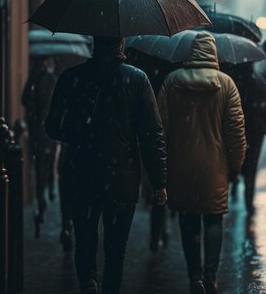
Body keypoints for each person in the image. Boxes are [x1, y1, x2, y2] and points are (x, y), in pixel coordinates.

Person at [45, 36, 168, 294]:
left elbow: (53, 126)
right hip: (121, 177)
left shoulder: (71, 77)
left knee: (85, 242)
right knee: (115, 251)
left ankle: (88, 282)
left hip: (81, 173)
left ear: (94, 43)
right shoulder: (137, 79)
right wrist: (159, 182)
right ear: (121, 43)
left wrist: (80, 132)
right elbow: (152, 134)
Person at [157, 32, 246, 294]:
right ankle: (210, 275)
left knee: (188, 220)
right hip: (215, 167)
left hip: (180, 165)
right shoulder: (226, 84)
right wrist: (236, 164)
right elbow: (236, 131)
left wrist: (159, 167)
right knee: (214, 220)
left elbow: (160, 128)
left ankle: (194, 276)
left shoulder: (172, 82)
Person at [224, 64, 266, 215]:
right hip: (255, 133)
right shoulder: (259, 82)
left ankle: (229, 192)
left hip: (236, 129)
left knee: (231, 163)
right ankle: (249, 204)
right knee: (251, 170)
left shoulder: (231, 82)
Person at [22, 56, 58, 237]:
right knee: (45, 164)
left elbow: (25, 99)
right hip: (44, 130)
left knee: (44, 165)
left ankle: (44, 193)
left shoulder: (39, 79)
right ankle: (45, 193)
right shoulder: (47, 79)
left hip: (42, 130)